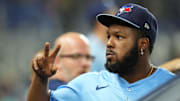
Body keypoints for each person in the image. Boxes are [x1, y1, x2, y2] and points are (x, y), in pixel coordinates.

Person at [27, 3, 175, 101]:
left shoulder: (171, 85)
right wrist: (40, 79)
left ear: (142, 44)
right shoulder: (88, 83)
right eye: (108, 36)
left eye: (119, 37)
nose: (109, 43)